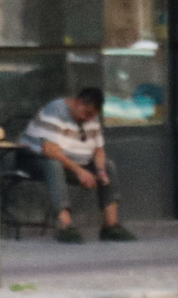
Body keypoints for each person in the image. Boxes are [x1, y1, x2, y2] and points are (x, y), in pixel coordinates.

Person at [28, 86, 136, 244]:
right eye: (86, 113)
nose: (88, 118)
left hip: (77, 163)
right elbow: (49, 150)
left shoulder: (92, 117)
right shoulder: (55, 111)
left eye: (92, 116)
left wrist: (100, 170)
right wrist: (79, 171)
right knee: (53, 165)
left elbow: (98, 149)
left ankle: (110, 226)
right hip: (38, 161)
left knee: (108, 166)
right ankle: (65, 224)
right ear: (78, 102)